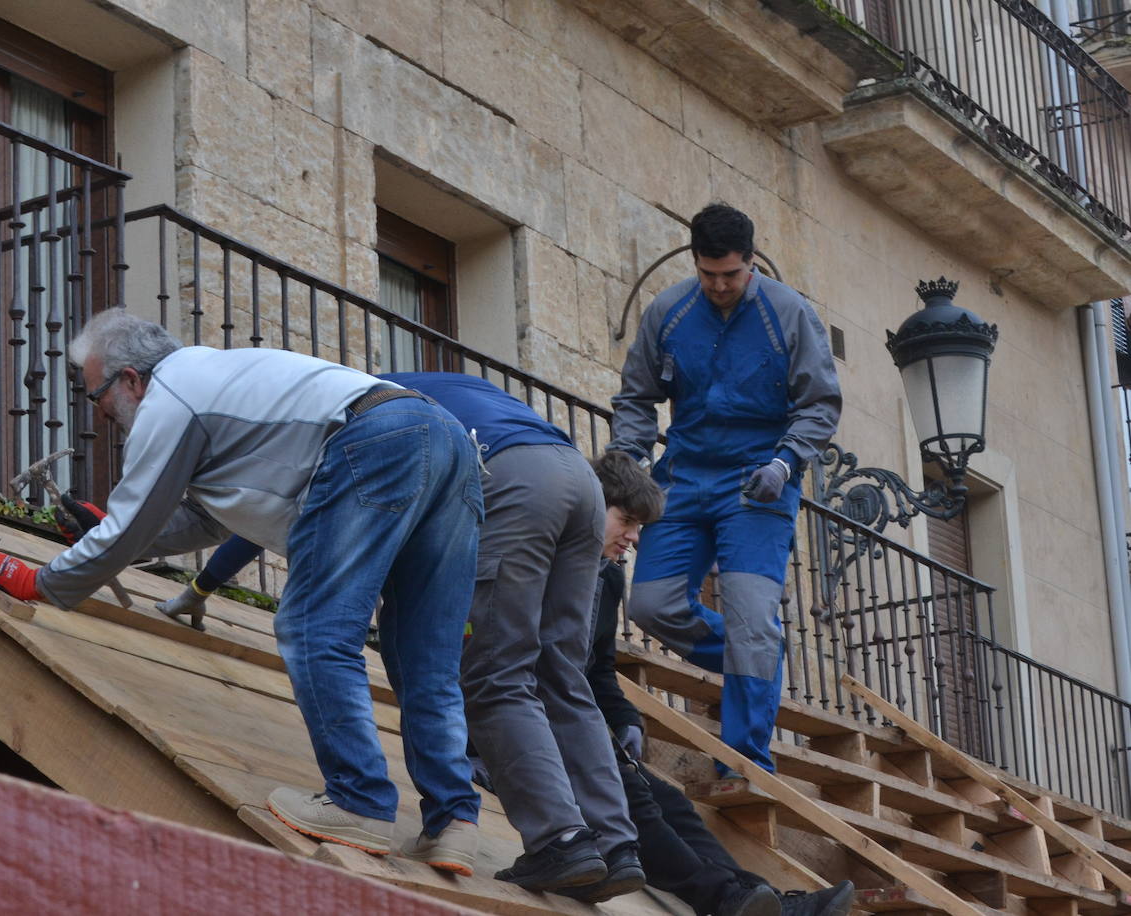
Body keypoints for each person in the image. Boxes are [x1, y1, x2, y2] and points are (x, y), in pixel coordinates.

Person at [0, 309, 483, 872]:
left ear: (131, 380)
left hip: (376, 439)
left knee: (314, 627)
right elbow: (208, 520)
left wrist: (41, 581)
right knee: (425, 656)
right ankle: (452, 821)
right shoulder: (218, 385)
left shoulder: (173, 396)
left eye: (97, 397)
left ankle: (358, 802)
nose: (102, 414)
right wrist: (106, 530)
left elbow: (131, 524)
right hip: (448, 441)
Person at [161, 371, 644, 901]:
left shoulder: (353, 413)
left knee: (489, 673)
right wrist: (204, 586)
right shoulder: (415, 386)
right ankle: (613, 844)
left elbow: (267, 514)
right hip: (576, 477)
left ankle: (562, 839)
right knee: (561, 674)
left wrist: (203, 583)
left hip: (513, 480)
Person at [609, 203, 841, 773]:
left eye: (731, 275)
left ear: (752, 263)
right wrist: (632, 460)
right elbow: (637, 398)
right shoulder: (668, 310)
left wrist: (785, 465)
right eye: (708, 274)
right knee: (650, 604)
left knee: (751, 614)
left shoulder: (789, 315)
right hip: (684, 477)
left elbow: (819, 404)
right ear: (695, 261)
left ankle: (743, 758)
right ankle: (752, 655)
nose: (719, 286)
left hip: (758, 482)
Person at [586, 452, 855, 916]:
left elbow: (598, 669)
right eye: (626, 521)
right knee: (637, 807)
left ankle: (761, 899)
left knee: (672, 802)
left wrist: (625, 717)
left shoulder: (606, 578)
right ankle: (727, 900)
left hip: (580, 723)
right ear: (588, 504)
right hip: (544, 725)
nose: (632, 539)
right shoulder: (545, 561)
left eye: (638, 527)